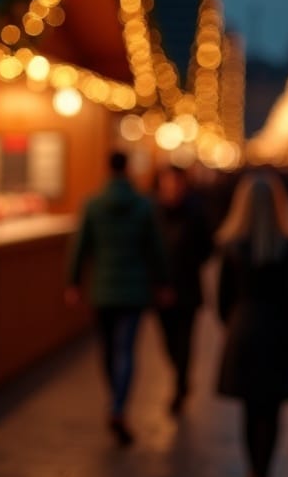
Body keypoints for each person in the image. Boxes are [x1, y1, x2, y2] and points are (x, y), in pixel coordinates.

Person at [66, 150, 168, 446]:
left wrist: (73, 283)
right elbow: (155, 248)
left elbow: (80, 246)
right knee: (126, 350)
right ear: (129, 169)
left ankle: (115, 399)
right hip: (134, 289)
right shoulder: (143, 206)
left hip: (102, 288)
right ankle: (119, 405)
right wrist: (163, 282)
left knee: (108, 349)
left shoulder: (93, 205)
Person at [215, 171, 288, 477]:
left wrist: (234, 323)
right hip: (277, 328)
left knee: (250, 408)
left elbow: (222, 301)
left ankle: (254, 472)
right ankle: (265, 473)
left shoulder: (233, 248)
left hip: (244, 329)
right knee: (272, 409)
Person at [151, 164, 214, 415]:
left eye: (176, 183)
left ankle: (180, 385)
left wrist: (190, 261)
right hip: (161, 289)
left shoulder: (196, 212)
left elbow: (208, 247)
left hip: (187, 287)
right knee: (167, 340)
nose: (172, 188)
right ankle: (180, 375)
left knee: (185, 339)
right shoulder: (154, 213)